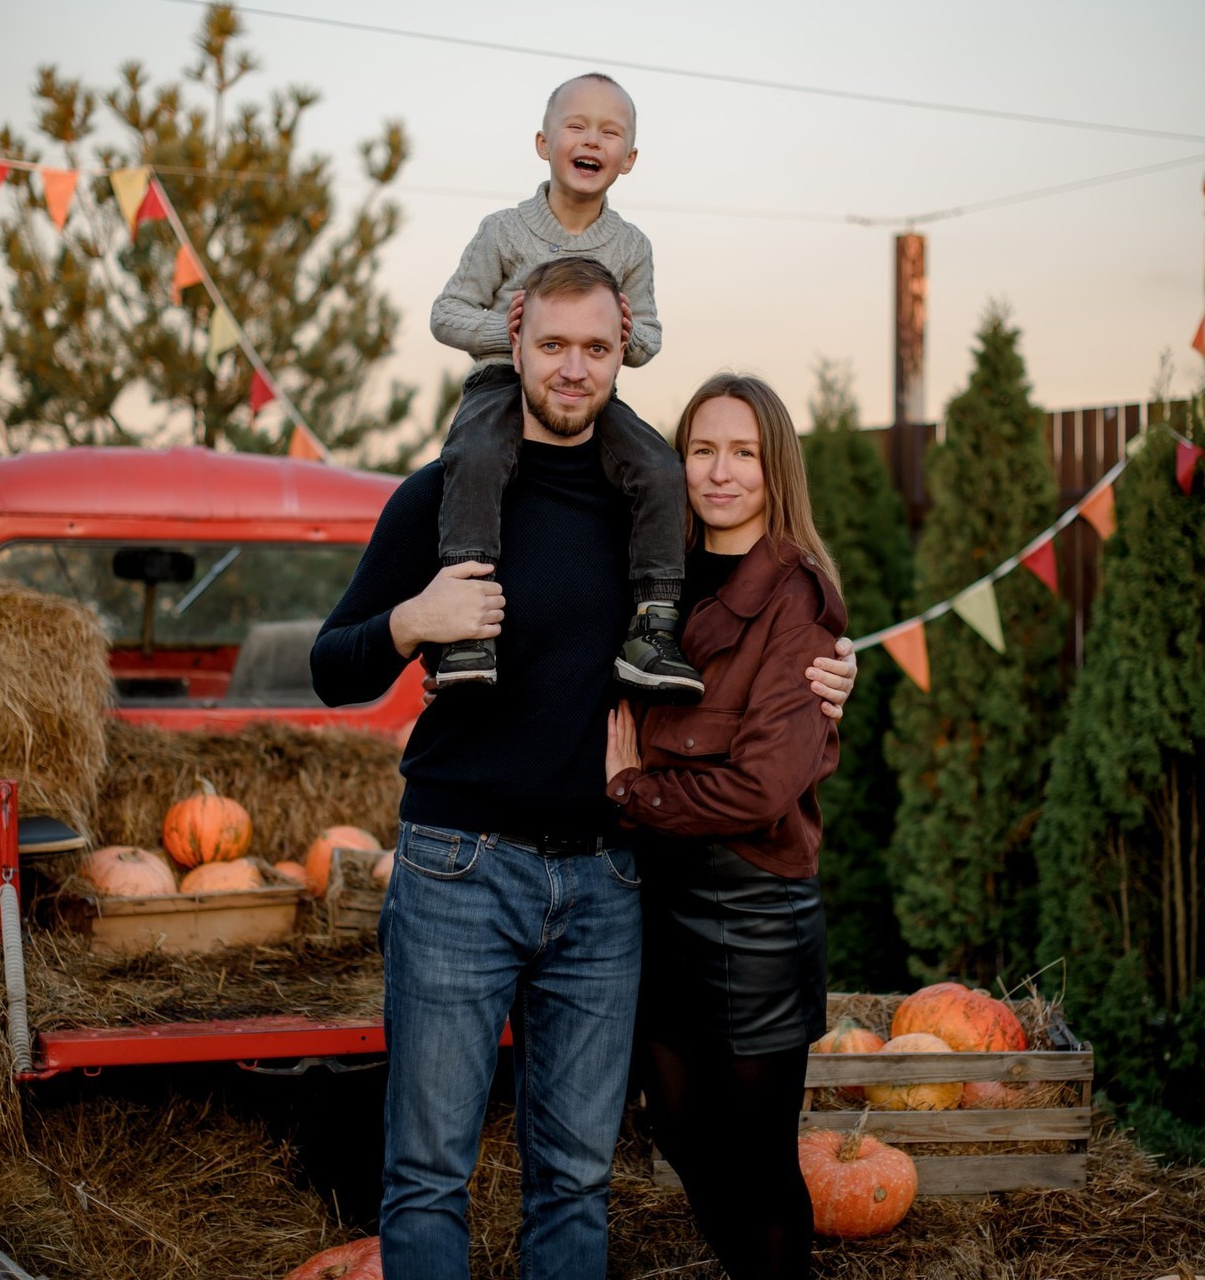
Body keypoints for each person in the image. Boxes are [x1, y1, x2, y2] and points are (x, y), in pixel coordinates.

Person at [310, 260, 855, 1280]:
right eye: (552, 344)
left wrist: (835, 665)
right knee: (428, 1171)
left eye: (595, 348)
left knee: (573, 1176)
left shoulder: (651, 520)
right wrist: (409, 622)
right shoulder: (440, 497)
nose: (573, 367)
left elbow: (760, 621)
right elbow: (327, 665)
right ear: (511, 343)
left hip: (606, 884)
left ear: (623, 353)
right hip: (457, 869)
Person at [605, 373, 847, 1279]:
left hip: (752, 911)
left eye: (742, 451)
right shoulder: (651, 574)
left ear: (774, 464)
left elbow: (759, 789)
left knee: (758, 1165)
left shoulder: (798, 598)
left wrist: (632, 789)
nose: (720, 471)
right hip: (658, 900)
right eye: (702, 449)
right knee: (675, 1127)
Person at [429, 72, 702, 700]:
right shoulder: (502, 231)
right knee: (475, 455)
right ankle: (466, 624)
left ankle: (652, 627)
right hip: (502, 380)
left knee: (660, 466)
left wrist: (627, 337)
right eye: (576, 125)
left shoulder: (631, 246)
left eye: (610, 132)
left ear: (628, 159)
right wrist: (514, 333)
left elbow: (650, 337)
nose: (592, 139)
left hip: (589, 395)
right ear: (542, 141)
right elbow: (446, 313)